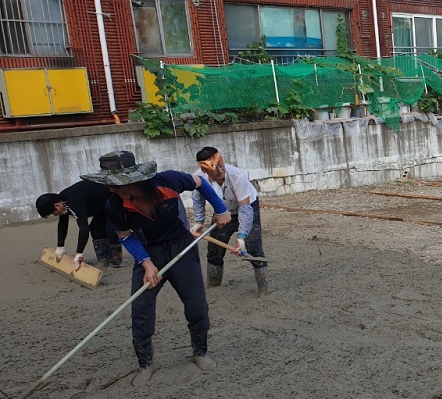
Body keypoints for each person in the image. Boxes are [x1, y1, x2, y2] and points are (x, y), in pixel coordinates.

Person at [81, 150, 231, 386]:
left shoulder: (168, 181)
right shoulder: (114, 205)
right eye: (109, 184)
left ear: (134, 179)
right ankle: (145, 363)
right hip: (148, 252)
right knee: (141, 308)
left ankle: (200, 352)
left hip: (181, 247)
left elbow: (200, 183)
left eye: (116, 184)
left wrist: (220, 209)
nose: (112, 189)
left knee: (196, 304)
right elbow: (125, 235)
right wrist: (146, 263)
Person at [191, 147, 269, 296]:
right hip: (222, 212)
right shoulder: (198, 178)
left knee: (253, 247)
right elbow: (197, 199)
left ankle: (263, 288)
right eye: (214, 167)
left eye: (221, 164)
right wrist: (199, 222)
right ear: (205, 170)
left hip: (246, 207)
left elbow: (245, 209)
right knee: (214, 248)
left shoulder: (237, 176)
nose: (220, 170)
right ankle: (213, 286)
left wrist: (241, 237)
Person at [35, 181, 123, 270]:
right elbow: (63, 223)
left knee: (110, 229)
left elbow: (84, 229)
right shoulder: (61, 200)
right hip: (98, 206)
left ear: (57, 206)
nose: (55, 215)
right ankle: (104, 259)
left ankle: (116, 259)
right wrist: (60, 246)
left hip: (111, 200)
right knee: (95, 229)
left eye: (54, 213)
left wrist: (79, 254)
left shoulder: (74, 202)